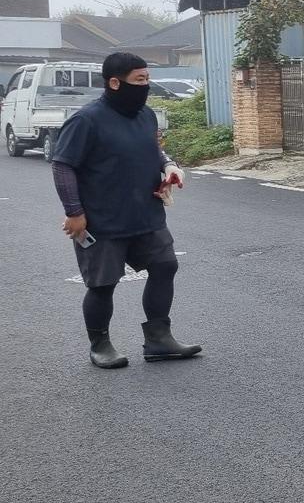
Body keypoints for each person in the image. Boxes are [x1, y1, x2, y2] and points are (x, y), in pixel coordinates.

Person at [51, 52, 201, 369]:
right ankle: (100, 344)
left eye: (147, 79)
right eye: (140, 80)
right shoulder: (86, 120)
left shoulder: (145, 115)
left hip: (145, 215)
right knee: (103, 285)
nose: (146, 86)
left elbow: (153, 150)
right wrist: (74, 211)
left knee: (165, 265)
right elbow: (63, 166)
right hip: (102, 221)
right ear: (115, 83)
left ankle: (159, 338)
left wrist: (169, 166)